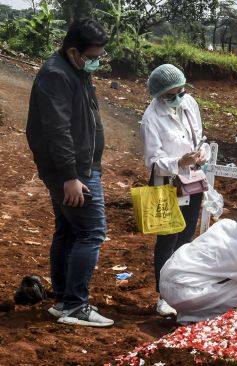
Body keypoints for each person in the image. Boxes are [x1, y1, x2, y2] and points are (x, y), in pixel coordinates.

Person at [25, 18, 113, 327]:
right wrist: (70, 177)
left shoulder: (74, 70)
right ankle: (76, 305)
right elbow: (57, 130)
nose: (96, 62)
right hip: (73, 172)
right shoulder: (56, 75)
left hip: (78, 168)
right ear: (74, 51)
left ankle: (63, 300)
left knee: (68, 230)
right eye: (92, 57)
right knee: (91, 232)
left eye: (100, 56)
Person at [140, 64, 210, 316]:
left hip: (191, 180)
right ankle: (164, 295)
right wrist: (179, 162)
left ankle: (180, 286)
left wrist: (202, 153)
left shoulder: (189, 103)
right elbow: (153, 161)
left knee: (186, 236)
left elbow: (199, 137)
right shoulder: (151, 119)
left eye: (180, 92)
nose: (178, 99)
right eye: (171, 96)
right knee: (167, 239)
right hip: (166, 185)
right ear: (159, 95)